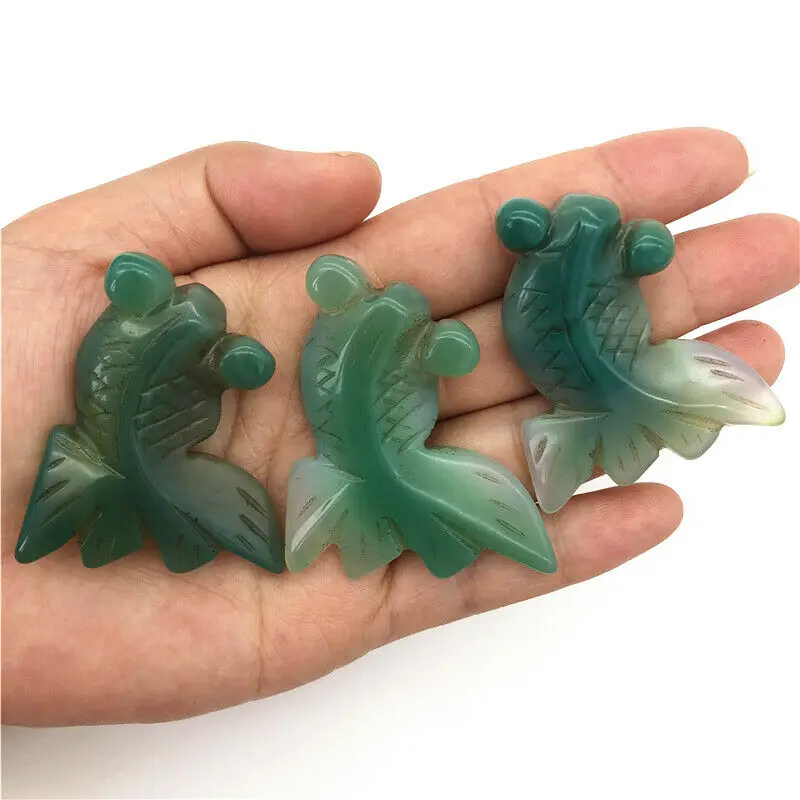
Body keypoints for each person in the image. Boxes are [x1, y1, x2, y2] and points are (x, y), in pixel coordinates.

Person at [1, 129, 796, 726]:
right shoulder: (362, 334)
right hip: (331, 454)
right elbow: (272, 366)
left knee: (373, 483)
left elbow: (283, 366)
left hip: (343, 454)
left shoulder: (359, 327)